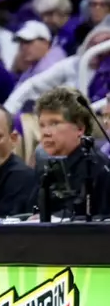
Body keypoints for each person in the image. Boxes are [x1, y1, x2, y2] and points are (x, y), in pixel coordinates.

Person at [34, 88, 110, 220]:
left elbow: (102, 221)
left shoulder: (97, 167)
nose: (46, 132)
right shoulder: (44, 164)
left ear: (80, 128)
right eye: (42, 125)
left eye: (54, 123)